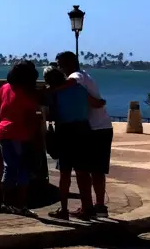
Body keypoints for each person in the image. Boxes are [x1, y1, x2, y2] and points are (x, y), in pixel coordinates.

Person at [56, 51, 111, 217]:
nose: (59, 68)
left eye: (59, 65)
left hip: (92, 128)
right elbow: (97, 102)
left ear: (67, 64)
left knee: (84, 170)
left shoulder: (75, 76)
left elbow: (72, 83)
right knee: (97, 169)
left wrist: (49, 90)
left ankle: (88, 208)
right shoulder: (86, 75)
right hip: (103, 126)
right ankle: (99, 206)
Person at [43, 65, 97, 220]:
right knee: (83, 172)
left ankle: (64, 209)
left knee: (65, 172)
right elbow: (92, 103)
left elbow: (51, 113)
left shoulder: (54, 93)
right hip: (84, 130)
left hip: (66, 132)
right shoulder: (80, 88)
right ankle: (88, 207)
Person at [0, 61, 41, 215]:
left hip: (4, 132)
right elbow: (31, 116)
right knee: (22, 169)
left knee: (9, 167)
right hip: (21, 134)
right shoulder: (27, 93)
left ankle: (5, 203)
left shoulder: (5, 88)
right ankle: (20, 205)